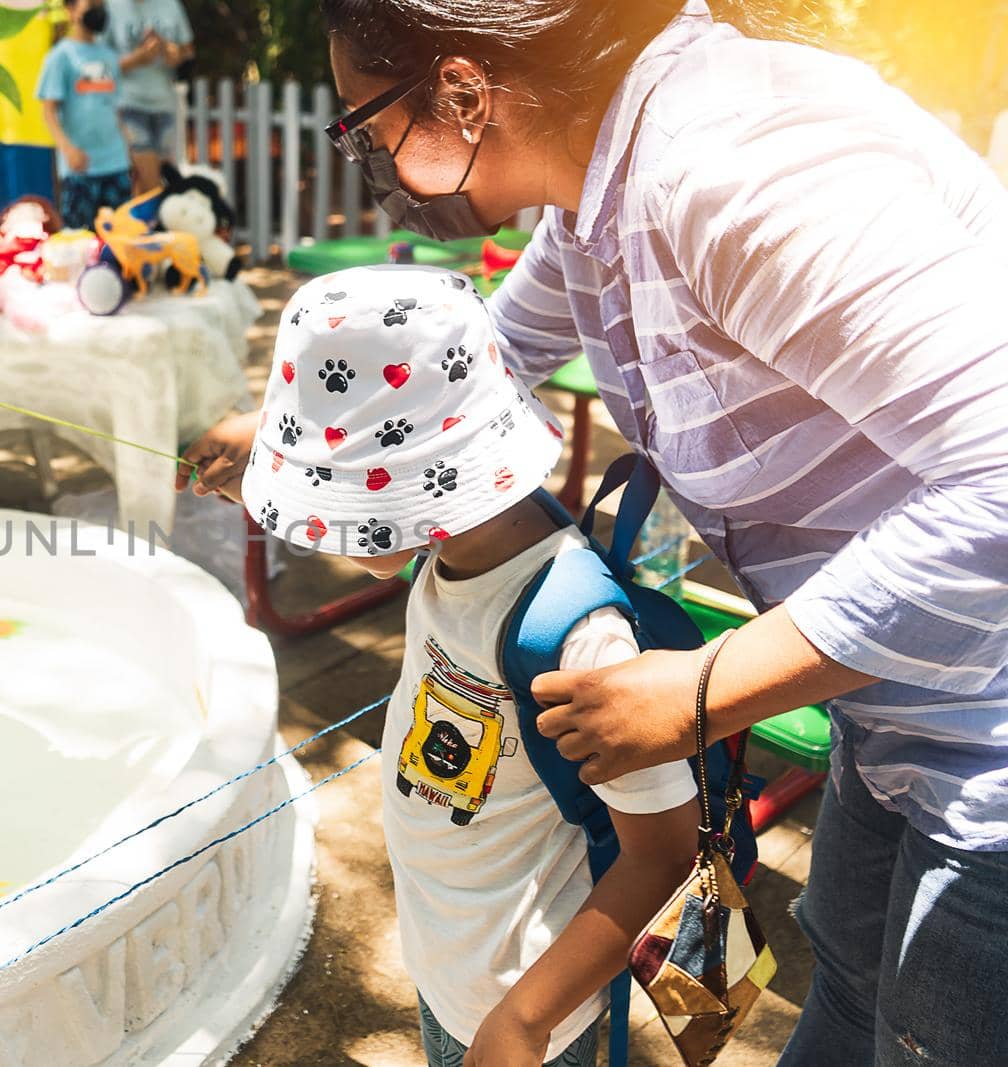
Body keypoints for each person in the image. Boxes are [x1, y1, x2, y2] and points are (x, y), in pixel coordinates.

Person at [181, 2, 1008, 1062]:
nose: (367, 150)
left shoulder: (724, 168)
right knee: (847, 993)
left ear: (464, 90)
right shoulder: (598, 201)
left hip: (984, 741)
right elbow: (475, 364)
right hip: (892, 702)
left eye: (366, 120)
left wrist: (704, 687)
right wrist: (299, 438)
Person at [232, 264, 699, 1067]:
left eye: (339, 501)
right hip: (452, 961)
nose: (319, 532)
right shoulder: (447, 556)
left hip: (525, 1007)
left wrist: (524, 1019)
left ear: (415, 493)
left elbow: (662, 849)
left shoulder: (576, 634)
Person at [36, 0, 131, 230]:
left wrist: (128, 147)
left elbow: (114, 107)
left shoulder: (109, 56)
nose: (98, 9)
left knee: (120, 239)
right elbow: (48, 110)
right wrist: (67, 149)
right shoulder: (60, 56)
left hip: (116, 163)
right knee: (79, 242)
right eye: (91, 4)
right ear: (71, 10)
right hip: (80, 168)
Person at [101, 0, 193, 193]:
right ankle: (155, 219)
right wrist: (137, 59)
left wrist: (171, 51)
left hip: (164, 103)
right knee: (150, 178)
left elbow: (187, 50)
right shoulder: (112, 6)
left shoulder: (171, 5)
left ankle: (139, 222)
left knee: (150, 182)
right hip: (128, 103)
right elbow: (99, 62)